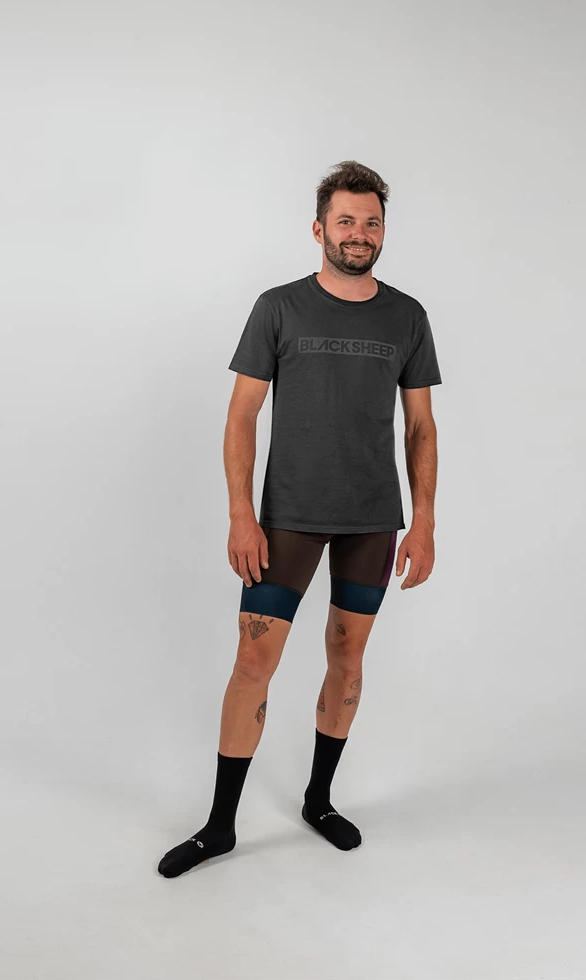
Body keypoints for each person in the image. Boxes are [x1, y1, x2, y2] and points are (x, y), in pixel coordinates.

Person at [158, 160, 442, 878]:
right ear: (319, 229)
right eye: (345, 221)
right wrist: (240, 515)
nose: (359, 233)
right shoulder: (278, 307)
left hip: (373, 519)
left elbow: (420, 427)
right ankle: (220, 826)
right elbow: (242, 416)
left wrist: (425, 521)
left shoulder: (407, 317)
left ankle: (318, 800)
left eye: (371, 222)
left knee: (348, 656)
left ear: (384, 231)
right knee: (254, 660)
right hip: (287, 516)